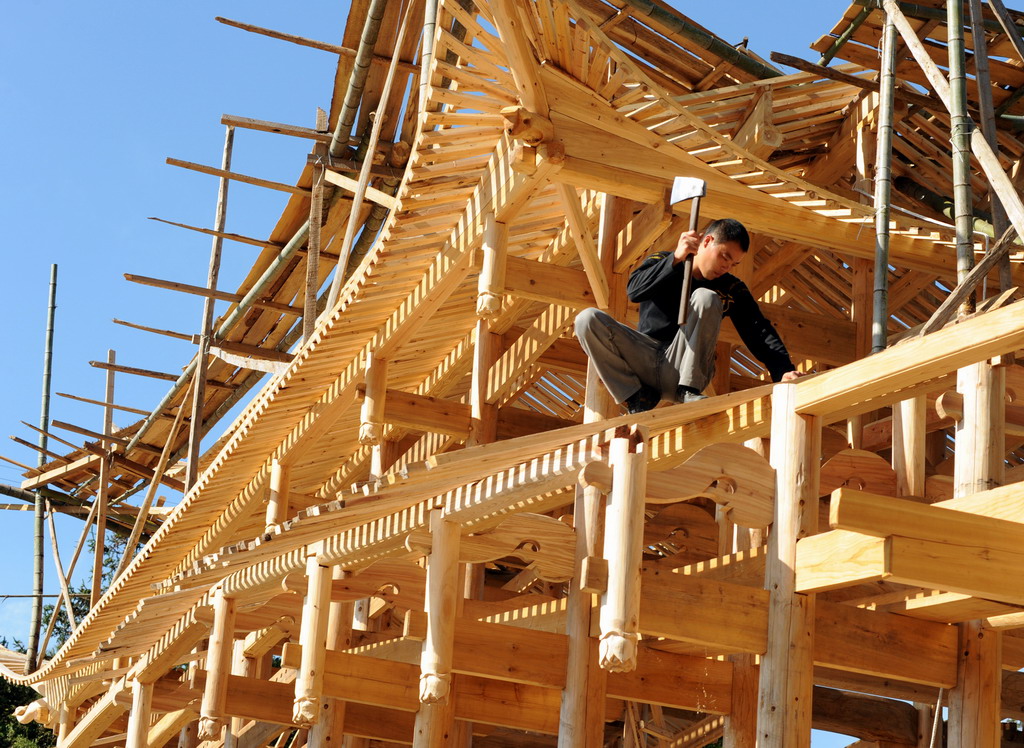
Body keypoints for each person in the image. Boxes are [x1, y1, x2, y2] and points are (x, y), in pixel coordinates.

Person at [574, 217, 799, 414]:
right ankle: (635, 395)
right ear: (707, 241)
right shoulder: (663, 260)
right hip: (644, 359)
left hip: (682, 367)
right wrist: (675, 259)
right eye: (724, 257)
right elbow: (634, 291)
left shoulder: (731, 288)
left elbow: (759, 330)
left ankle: (688, 389)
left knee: (706, 297)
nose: (727, 267)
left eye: (733, 264)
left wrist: (783, 371)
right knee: (587, 319)